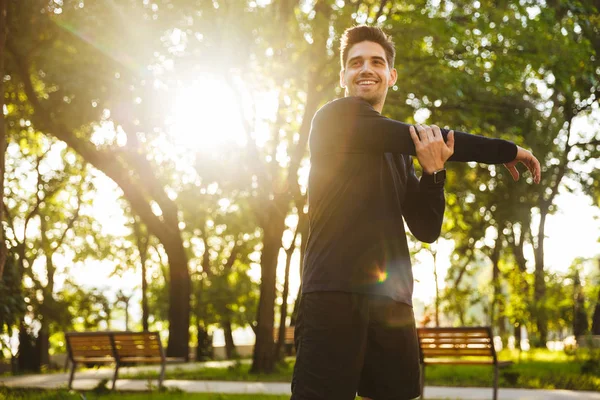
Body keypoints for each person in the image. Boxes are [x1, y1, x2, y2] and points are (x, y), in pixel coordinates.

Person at [290, 25, 541, 400]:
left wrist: (434, 173)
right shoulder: (334, 119)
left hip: (390, 298)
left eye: (377, 61)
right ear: (343, 75)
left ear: (392, 75)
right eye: (355, 62)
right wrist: (507, 150)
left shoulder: (397, 153)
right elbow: (426, 135)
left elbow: (425, 228)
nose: (366, 69)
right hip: (333, 292)